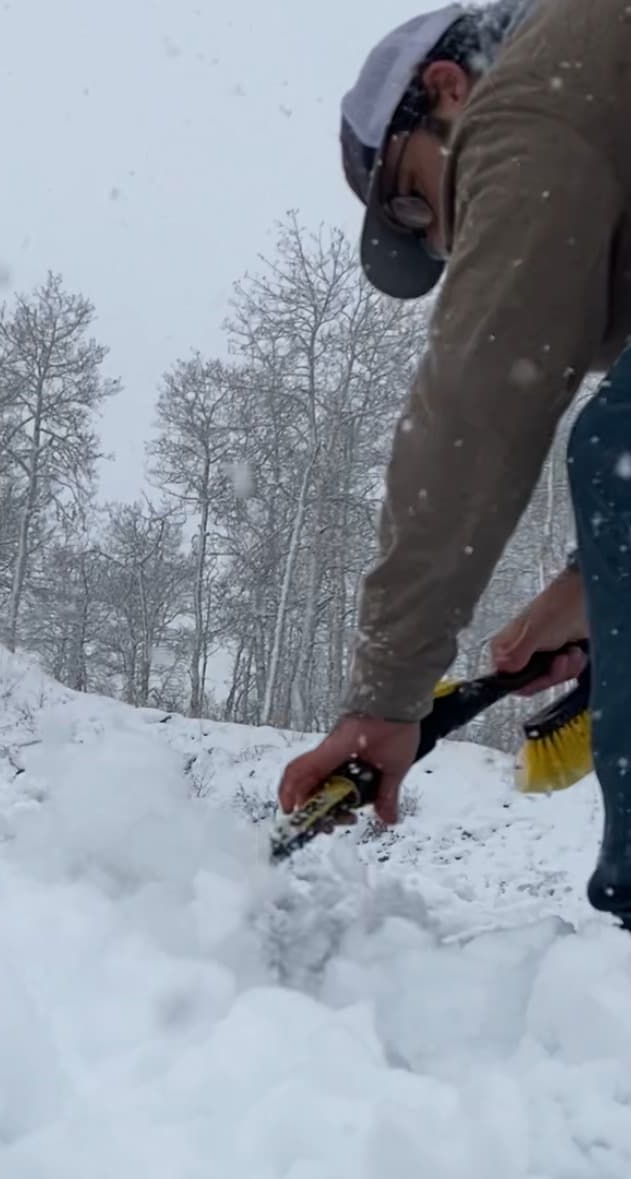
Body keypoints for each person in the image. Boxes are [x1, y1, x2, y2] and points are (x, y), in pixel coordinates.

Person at [277, 0, 631, 923]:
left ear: (445, 89)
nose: (437, 238)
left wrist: (384, 695)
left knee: (613, 450)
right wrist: (589, 575)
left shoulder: (534, 84)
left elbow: (482, 399)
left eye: (407, 197)